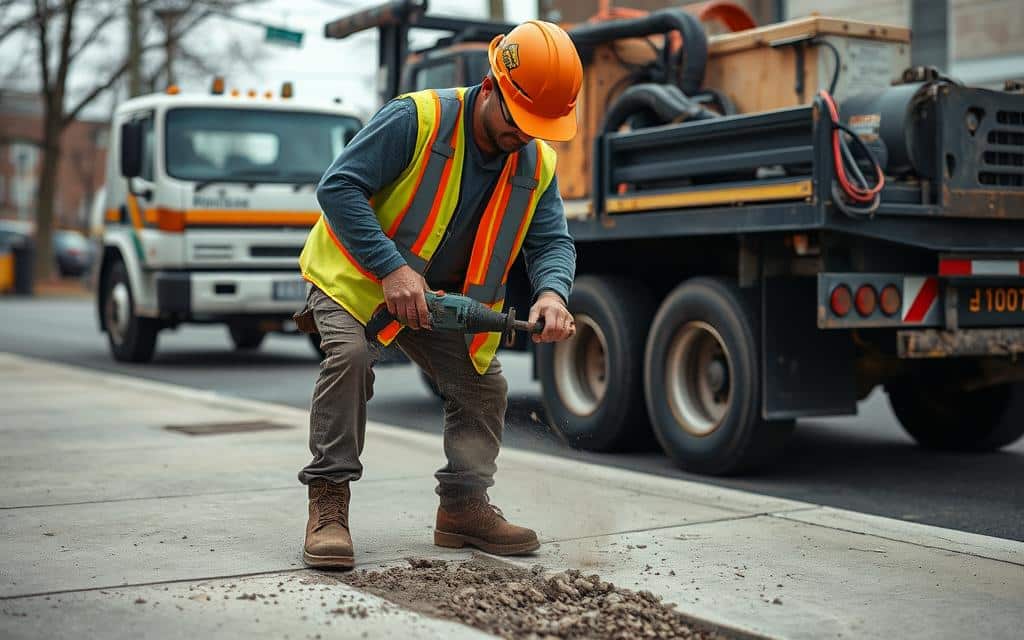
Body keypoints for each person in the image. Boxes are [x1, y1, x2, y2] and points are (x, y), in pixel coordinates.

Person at [294, 20, 583, 569]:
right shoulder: (416, 118)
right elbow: (337, 186)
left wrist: (552, 293)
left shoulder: (538, 162)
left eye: (537, 126)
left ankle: (463, 508)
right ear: (492, 86)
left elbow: (551, 241)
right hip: (353, 280)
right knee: (352, 358)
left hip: (436, 297)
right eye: (519, 120)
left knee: (484, 387)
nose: (524, 135)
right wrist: (391, 268)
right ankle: (328, 503)